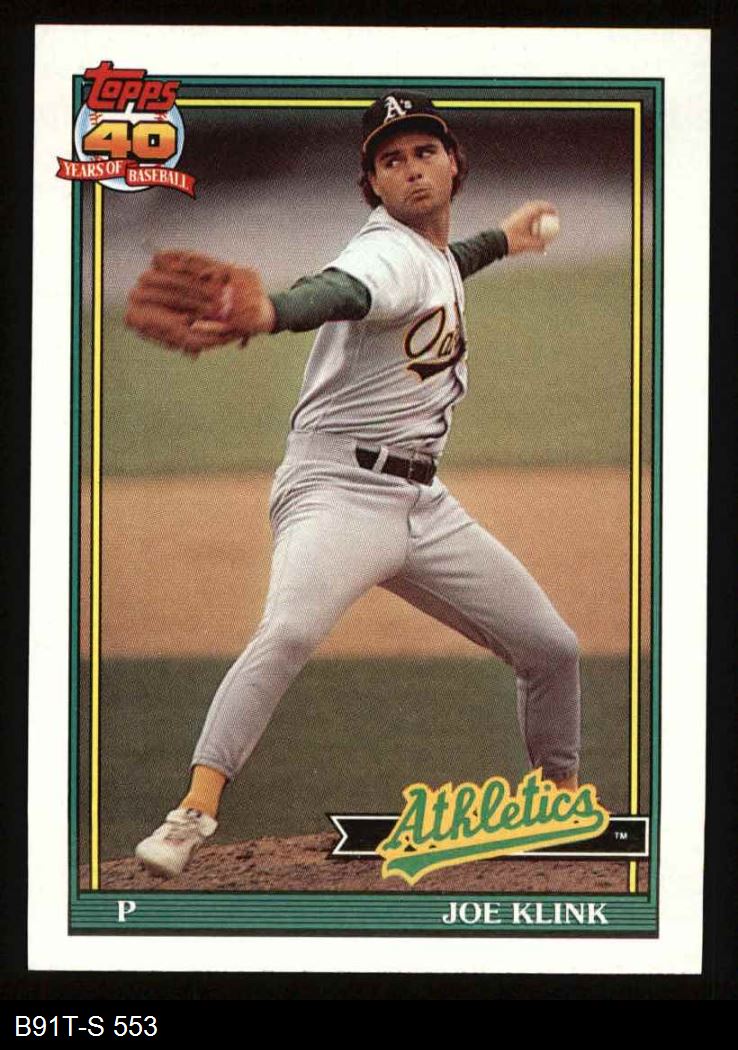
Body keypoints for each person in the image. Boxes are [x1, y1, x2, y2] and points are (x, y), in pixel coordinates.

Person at [127, 90, 581, 878]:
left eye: (424, 152)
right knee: (289, 632)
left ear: (454, 163)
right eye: (391, 161)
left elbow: (446, 263)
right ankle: (191, 812)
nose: (412, 169)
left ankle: (557, 804)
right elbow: (341, 291)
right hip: (337, 492)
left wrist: (504, 239)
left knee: (552, 649)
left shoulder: (427, 253)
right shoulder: (382, 254)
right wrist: (272, 311)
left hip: (423, 505)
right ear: (371, 184)